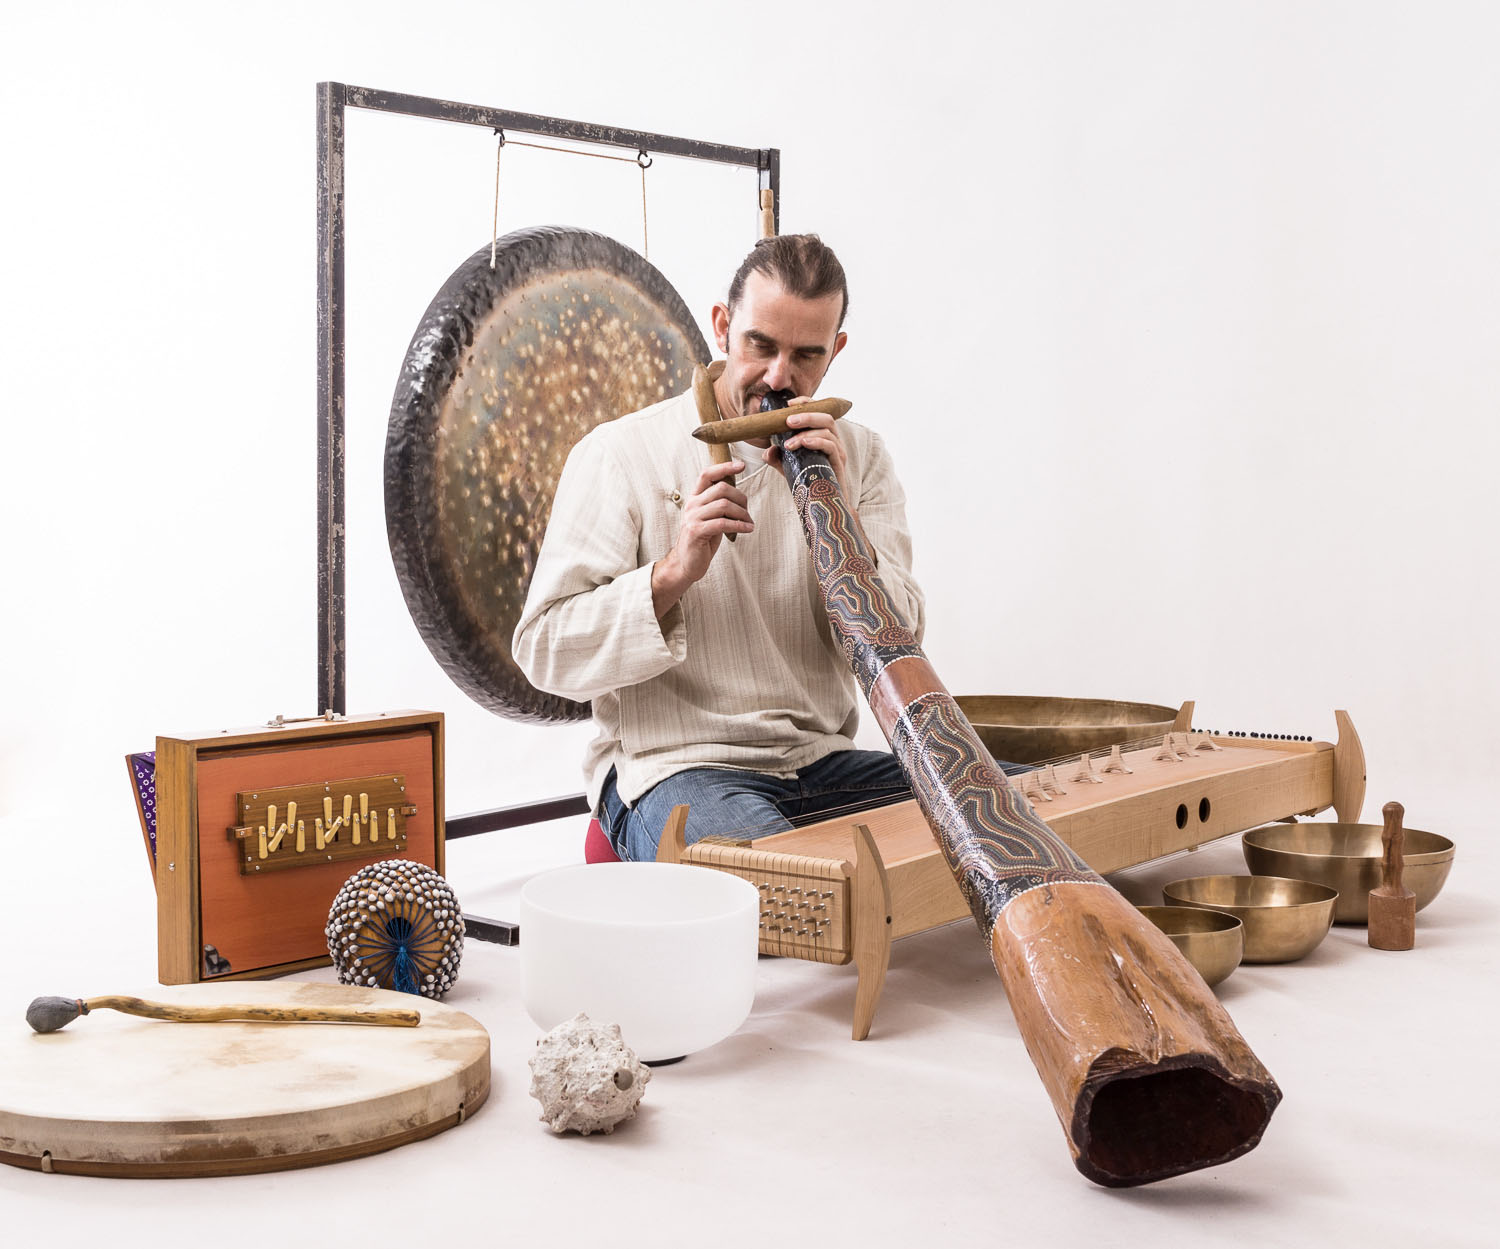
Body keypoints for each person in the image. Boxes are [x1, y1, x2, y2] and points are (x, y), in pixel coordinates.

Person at [512, 234, 925, 861]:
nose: (779, 376)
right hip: (676, 767)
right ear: (722, 327)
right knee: (789, 880)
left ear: (835, 351)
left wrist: (842, 525)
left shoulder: (861, 456)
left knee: (1018, 809)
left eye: (806, 355)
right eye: (760, 345)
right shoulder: (621, 453)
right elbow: (543, 652)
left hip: (822, 764)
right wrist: (672, 573)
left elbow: (903, 646)